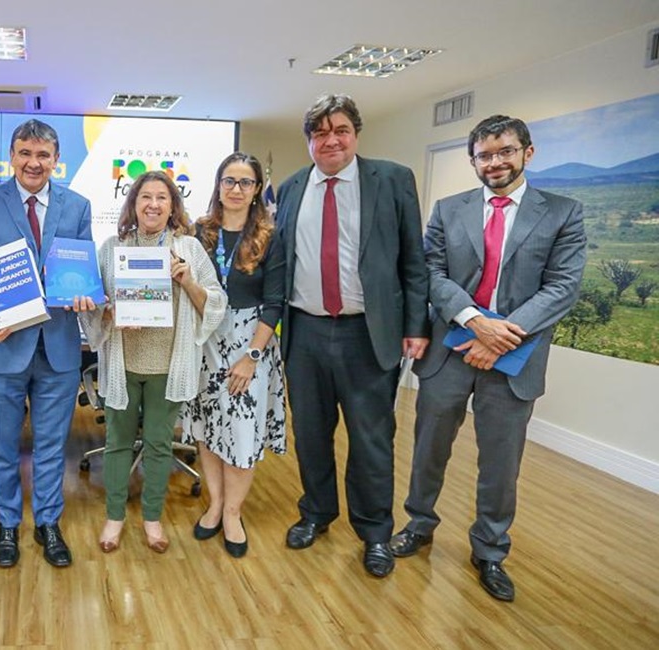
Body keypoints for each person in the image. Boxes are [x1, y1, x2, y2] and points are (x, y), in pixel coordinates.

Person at [390, 115, 586, 602]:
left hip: (516, 354)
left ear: (527, 153)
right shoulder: (449, 209)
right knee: (429, 447)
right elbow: (432, 273)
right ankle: (419, 524)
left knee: (501, 461)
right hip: (451, 349)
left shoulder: (562, 213)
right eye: (484, 155)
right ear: (473, 160)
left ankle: (490, 550)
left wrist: (500, 337)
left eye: (505, 152)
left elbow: (562, 287)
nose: (495, 162)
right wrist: (475, 321)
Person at [273, 94, 429, 578]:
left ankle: (375, 532)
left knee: (371, 439)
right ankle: (316, 512)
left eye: (340, 130)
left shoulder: (393, 180)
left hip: (368, 333)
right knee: (311, 434)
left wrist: (416, 326)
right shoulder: (291, 188)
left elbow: (413, 260)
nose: (331, 140)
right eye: (320, 133)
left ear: (355, 134)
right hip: (305, 332)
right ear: (309, 140)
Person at [0, 119, 99, 568]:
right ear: (12, 157)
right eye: (25, 153)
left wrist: (84, 292)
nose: (33, 163)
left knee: (52, 446)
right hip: (2, 347)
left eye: (43, 155)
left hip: (58, 347)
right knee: (1, 446)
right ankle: (6, 524)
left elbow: (81, 268)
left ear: (56, 159)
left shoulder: (77, 206)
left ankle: (48, 522)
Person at [81, 171, 226, 554]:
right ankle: (114, 516)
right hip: (123, 363)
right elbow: (94, 307)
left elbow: (216, 305)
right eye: (146, 196)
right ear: (134, 204)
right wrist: (110, 313)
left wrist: (188, 281)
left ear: (173, 206)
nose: (153, 204)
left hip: (168, 365)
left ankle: (152, 518)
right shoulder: (112, 248)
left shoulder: (189, 249)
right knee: (117, 443)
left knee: (160, 445)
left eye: (162, 197)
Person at [182, 153, 286, 558]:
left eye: (245, 182)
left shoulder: (270, 236)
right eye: (229, 180)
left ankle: (232, 514)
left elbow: (274, 303)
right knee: (208, 429)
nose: (236, 189)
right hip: (206, 339)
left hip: (250, 342)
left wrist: (251, 356)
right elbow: (193, 292)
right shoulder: (200, 233)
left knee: (242, 432)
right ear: (218, 184)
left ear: (257, 189)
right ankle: (214, 504)